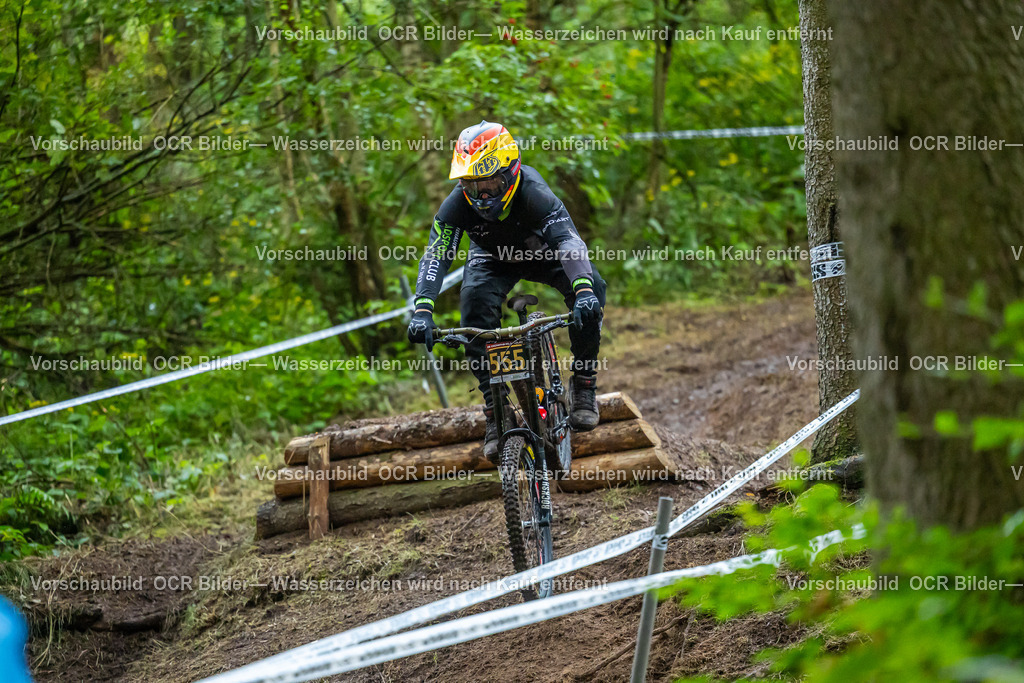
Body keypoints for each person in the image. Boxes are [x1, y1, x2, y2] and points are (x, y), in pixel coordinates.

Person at [407, 120, 606, 462]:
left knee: (593, 290)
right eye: (472, 184)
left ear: (510, 172)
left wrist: (584, 290)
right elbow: (437, 254)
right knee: (472, 308)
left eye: (489, 183)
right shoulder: (456, 206)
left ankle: (585, 381)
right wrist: (423, 310)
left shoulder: (535, 193)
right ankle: (494, 409)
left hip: (544, 252)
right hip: (492, 258)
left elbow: (568, 242)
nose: (481, 194)